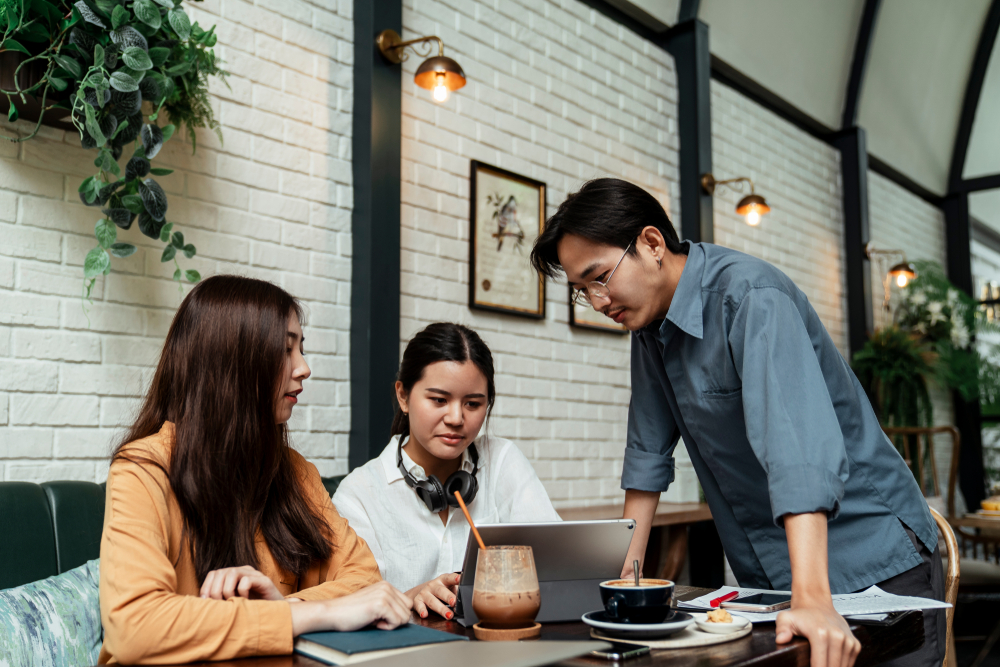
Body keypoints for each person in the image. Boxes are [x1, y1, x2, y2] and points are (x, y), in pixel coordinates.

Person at [529, 179, 944, 667]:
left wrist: (813, 596)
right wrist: (626, 581)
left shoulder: (750, 297)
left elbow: (798, 456)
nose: (598, 302)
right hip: (771, 576)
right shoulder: (648, 331)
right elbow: (646, 454)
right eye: (582, 291)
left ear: (651, 244)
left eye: (600, 277)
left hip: (870, 559)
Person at [99, 276, 411, 665]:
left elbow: (364, 579)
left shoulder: (295, 473)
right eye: (285, 350)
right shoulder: (143, 470)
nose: (304, 368)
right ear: (232, 361)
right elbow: (135, 627)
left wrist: (282, 606)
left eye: (301, 349)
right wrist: (310, 614)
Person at [333, 322, 561, 621]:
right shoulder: (358, 494)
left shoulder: (503, 460)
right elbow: (352, 604)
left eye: (473, 403)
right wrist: (411, 596)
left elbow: (556, 563)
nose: (456, 418)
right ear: (403, 396)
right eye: (439, 400)